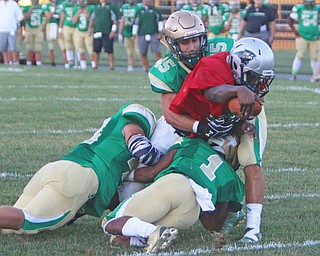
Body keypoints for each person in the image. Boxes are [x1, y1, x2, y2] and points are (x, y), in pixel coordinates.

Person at [149, 11, 273, 243]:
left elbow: (250, 83)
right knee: (177, 157)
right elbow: (171, 114)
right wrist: (203, 127)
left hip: (237, 113)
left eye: (196, 39)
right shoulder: (165, 69)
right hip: (200, 122)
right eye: (185, 42)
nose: (193, 46)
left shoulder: (223, 48)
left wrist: (243, 117)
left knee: (250, 159)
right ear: (172, 44)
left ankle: (253, 227)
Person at [0, 103, 163, 235]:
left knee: (9, 228)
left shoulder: (110, 132)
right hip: (79, 177)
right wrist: (165, 154)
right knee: (28, 220)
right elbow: (143, 152)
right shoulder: (133, 126)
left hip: (57, 168)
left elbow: (114, 199)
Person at [102, 136, 245, 253]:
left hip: (175, 185)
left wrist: (124, 176)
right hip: (191, 213)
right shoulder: (232, 179)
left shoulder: (190, 142)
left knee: (111, 222)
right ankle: (147, 236)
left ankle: (152, 232)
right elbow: (213, 225)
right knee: (122, 235)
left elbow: (152, 173)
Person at [288, 0, 320, 82]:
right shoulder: (299, 8)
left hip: (315, 37)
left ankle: (315, 76)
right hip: (302, 36)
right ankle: (293, 75)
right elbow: (290, 20)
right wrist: (296, 32)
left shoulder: (318, 8)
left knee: (314, 57)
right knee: (299, 55)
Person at [132, 0, 163, 72]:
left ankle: (160, 67)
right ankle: (146, 67)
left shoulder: (155, 10)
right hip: (142, 34)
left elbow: (160, 21)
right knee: (143, 52)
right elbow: (135, 23)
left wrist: (160, 32)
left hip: (153, 33)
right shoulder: (139, 11)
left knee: (157, 51)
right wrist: (134, 33)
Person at [89, 0, 118, 70]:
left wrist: (113, 30)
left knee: (109, 50)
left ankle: (111, 66)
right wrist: (90, 28)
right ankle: (95, 65)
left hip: (107, 32)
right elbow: (92, 19)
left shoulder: (111, 7)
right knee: (96, 50)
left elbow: (115, 20)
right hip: (97, 31)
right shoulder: (96, 7)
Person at [118, 0, 144, 72]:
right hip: (127, 32)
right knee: (129, 51)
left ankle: (145, 66)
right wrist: (120, 33)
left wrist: (135, 33)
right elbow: (122, 21)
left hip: (137, 33)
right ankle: (130, 65)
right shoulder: (124, 7)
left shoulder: (139, 7)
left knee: (139, 50)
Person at [21, 0, 46, 66]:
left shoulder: (42, 7)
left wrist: (44, 25)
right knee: (29, 47)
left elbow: (47, 17)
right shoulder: (26, 7)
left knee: (38, 47)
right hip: (29, 28)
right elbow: (25, 17)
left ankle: (38, 63)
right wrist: (31, 9)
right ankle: (28, 63)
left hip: (38, 28)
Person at [72, 0, 95, 69]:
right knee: (80, 49)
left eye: (82, 1)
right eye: (80, 1)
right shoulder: (75, 9)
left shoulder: (91, 8)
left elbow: (93, 20)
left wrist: (87, 14)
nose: (81, 2)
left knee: (91, 50)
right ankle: (83, 66)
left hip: (88, 31)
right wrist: (78, 13)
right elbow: (73, 22)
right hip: (79, 31)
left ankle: (94, 65)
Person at [0, 0, 24, 66]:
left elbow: (20, 17)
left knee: (12, 48)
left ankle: (15, 62)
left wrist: (17, 26)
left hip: (12, 30)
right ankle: (6, 61)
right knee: (3, 48)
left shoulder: (14, 4)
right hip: (1, 29)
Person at [44, 0, 64, 67]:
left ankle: (67, 63)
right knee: (51, 46)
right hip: (50, 26)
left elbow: (63, 16)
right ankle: (52, 63)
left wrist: (56, 16)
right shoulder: (46, 5)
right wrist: (53, 8)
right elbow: (49, 16)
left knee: (63, 46)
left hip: (59, 25)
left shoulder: (62, 4)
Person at [59, 0, 76, 68]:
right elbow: (62, 18)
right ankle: (70, 61)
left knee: (77, 44)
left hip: (75, 27)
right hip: (67, 26)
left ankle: (78, 62)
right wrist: (60, 30)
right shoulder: (64, 5)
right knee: (68, 44)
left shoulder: (77, 4)